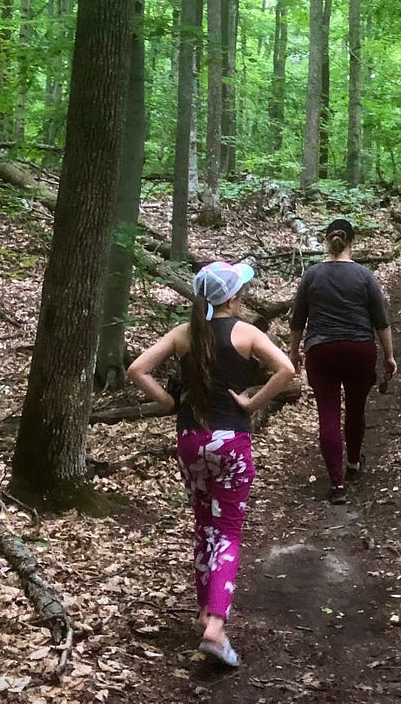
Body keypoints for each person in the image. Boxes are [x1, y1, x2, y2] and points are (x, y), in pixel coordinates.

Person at [127, 260, 295, 669]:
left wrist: (169, 403)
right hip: (231, 442)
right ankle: (216, 626)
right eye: (240, 292)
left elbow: (138, 369)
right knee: (229, 531)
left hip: (191, 441)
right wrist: (253, 403)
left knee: (204, 526)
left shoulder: (185, 334)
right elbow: (287, 370)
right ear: (234, 298)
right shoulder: (247, 333)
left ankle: (205, 609)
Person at [289, 219, 397, 505]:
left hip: (320, 351)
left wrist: (293, 352)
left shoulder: (312, 275)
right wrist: (388, 356)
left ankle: (337, 484)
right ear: (352, 241)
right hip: (359, 349)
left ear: (327, 241)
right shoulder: (364, 275)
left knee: (328, 414)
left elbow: (297, 320)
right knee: (355, 407)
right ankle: (353, 463)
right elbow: (381, 322)